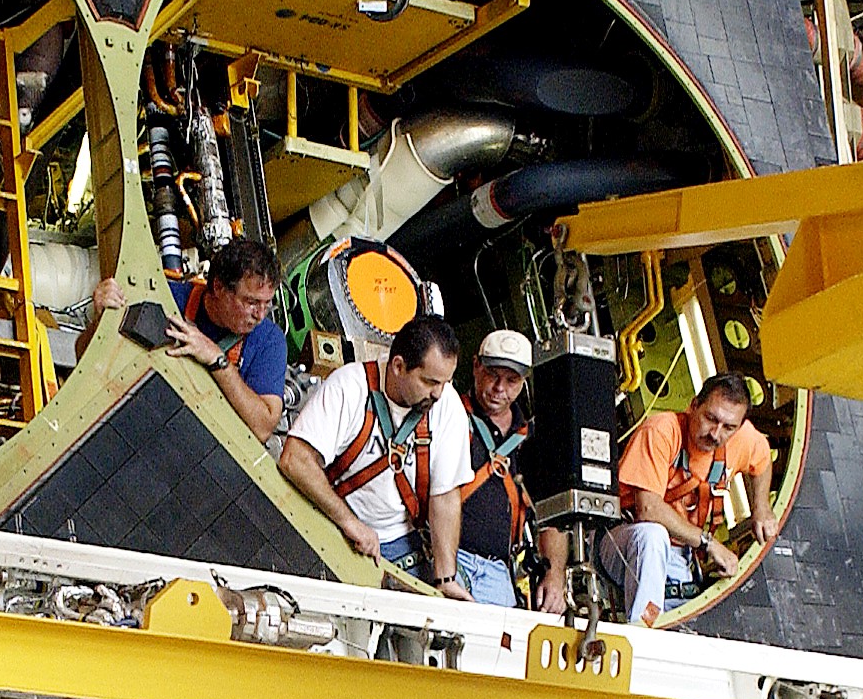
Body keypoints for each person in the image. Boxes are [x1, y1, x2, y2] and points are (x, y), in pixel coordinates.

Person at [277, 316, 472, 595]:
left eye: (446, 382)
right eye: (430, 382)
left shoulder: (447, 407)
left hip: (399, 542)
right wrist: (348, 522)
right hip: (330, 523)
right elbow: (295, 459)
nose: (439, 393)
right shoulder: (350, 386)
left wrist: (445, 579)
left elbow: (444, 497)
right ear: (398, 367)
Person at [602, 375, 778, 625]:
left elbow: (762, 458)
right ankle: (641, 637)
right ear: (694, 405)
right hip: (625, 541)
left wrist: (762, 508)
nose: (716, 434)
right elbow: (648, 508)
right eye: (710, 419)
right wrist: (709, 543)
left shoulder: (740, 437)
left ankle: (658, 624)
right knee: (653, 536)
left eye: (728, 427)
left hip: (683, 555)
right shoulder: (662, 430)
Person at [88, 237, 288, 442]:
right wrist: (102, 320)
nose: (260, 315)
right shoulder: (165, 298)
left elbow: (262, 427)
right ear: (219, 287)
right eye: (251, 302)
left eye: (267, 303)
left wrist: (217, 360)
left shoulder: (269, 340)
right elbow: (85, 359)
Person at [454, 329, 558, 608]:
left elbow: (551, 513)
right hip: (447, 558)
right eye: (493, 375)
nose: (500, 388)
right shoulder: (448, 414)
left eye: (511, 380)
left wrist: (554, 576)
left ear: (523, 383)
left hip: (498, 570)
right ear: (476, 366)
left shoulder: (531, 440)